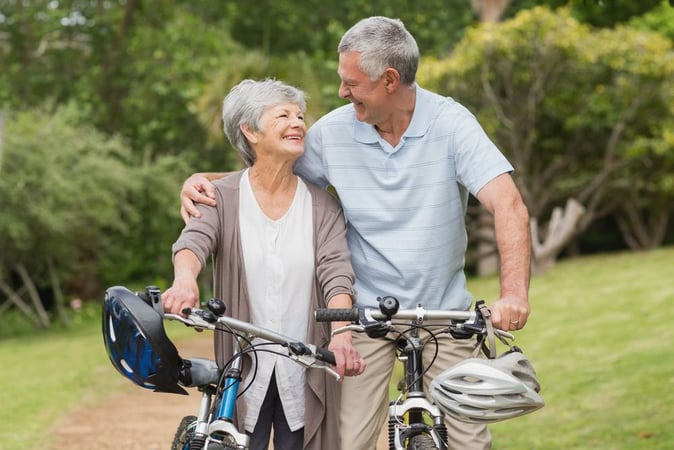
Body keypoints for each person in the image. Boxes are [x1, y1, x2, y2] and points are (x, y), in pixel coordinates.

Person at [180, 16, 531, 450]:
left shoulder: (452, 123)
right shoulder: (333, 133)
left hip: (444, 314)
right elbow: (270, 177)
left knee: (467, 441)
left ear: (390, 80)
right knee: (347, 440)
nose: (343, 93)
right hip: (365, 317)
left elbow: (509, 204)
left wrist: (513, 292)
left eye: (352, 83)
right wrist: (207, 180)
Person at [161, 78, 365, 450]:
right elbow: (193, 242)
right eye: (283, 115)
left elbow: (337, 274)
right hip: (243, 372)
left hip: (304, 371)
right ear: (250, 130)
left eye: (300, 115)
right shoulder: (219, 197)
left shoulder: (323, 206)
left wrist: (342, 334)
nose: (298, 123)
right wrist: (184, 280)